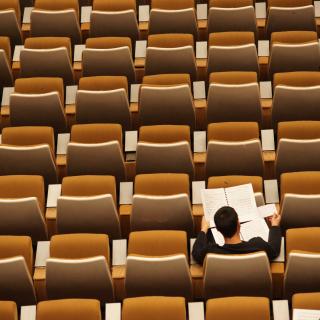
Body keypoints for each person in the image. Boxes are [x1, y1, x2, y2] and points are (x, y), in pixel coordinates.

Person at [192, 206, 282, 265]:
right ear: (238, 224)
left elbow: (196, 253)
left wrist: (203, 229)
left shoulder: (211, 252)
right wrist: (274, 225)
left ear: (218, 229)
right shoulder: (258, 245)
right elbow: (274, 250)